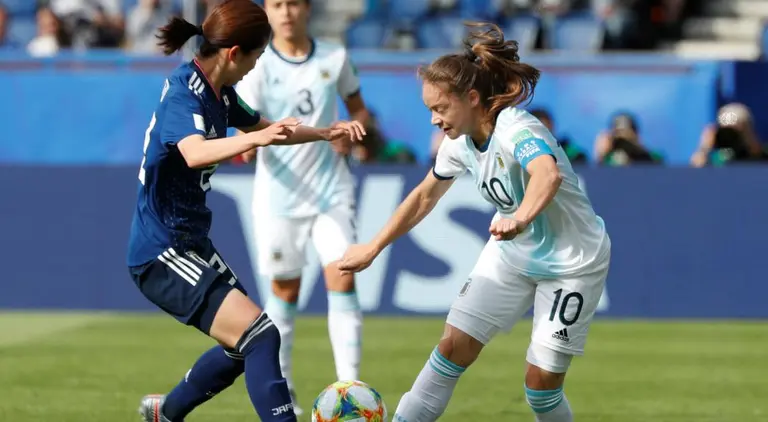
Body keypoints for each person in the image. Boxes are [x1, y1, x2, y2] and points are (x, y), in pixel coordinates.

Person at [339, 22, 611, 422]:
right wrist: (374, 246)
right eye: (429, 110)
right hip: (513, 254)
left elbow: (546, 175)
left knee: (540, 387)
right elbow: (423, 196)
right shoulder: (458, 144)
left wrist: (519, 217)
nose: (434, 120)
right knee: (452, 348)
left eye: (440, 108)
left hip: (573, 262)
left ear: (471, 98)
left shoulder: (517, 127)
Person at [126, 2, 365, 422]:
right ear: (235, 53)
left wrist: (325, 132)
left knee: (244, 345)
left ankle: (167, 412)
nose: (256, 67)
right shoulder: (186, 93)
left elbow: (267, 128)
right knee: (260, 335)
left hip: (191, 242)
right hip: (162, 252)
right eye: (255, 57)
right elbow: (195, 152)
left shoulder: (220, 92)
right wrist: (258, 140)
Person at [234, 0, 370, 413]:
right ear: (268, 12)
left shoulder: (335, 56)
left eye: (293, 3)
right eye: (276, 4)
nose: (286, 12)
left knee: (344, 278)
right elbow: (245, 124)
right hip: (279, 197)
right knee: (284, 291)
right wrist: (249, 145)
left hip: (331, 189)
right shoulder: (257, 66)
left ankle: (350, 390)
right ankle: (286, 386)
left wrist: (354, 131)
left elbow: (358, 108)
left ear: (307, 9)